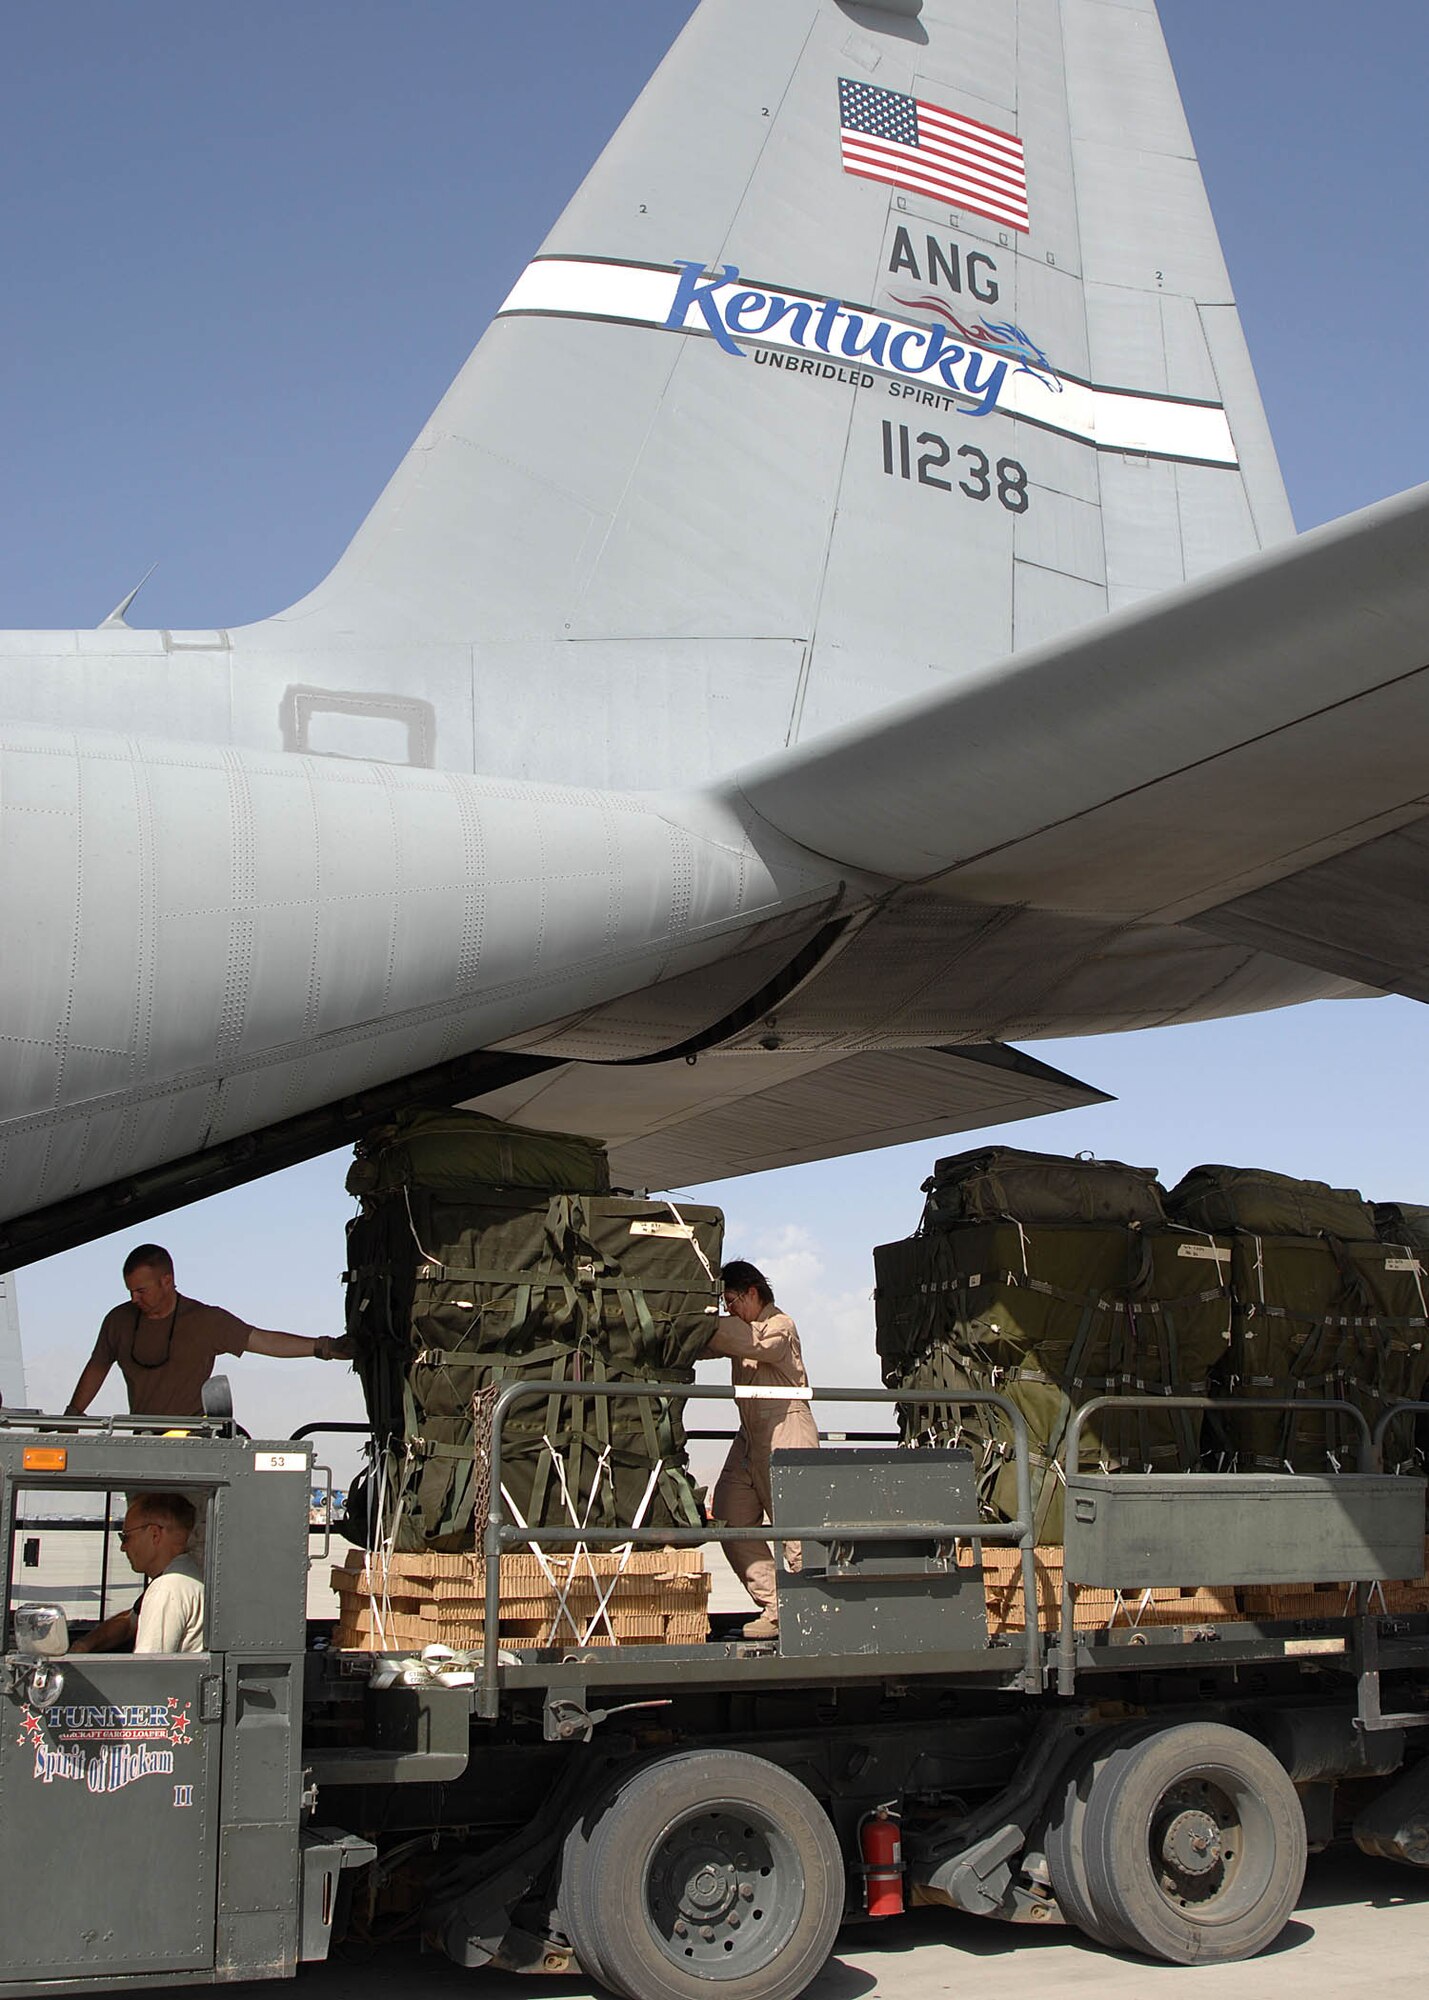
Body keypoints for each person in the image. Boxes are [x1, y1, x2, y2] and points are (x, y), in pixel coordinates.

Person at [64, 1243, 354, 1419]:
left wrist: (324, 1347)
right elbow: (98, 1366)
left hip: (193, 1442)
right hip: (144, 1442)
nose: (134, 1299)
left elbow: (263, 1341)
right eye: (130, 1291)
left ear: (167, 1281)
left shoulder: (205, 1320)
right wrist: (73, 1415)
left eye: (141, 1291)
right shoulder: (118, 1320)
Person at [703, 1259, 819, 1640]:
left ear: (752, 1293)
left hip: (787, 1431)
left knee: (796, 1533)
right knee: (729, 1516)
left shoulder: (778, 1327)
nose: (730, 1309)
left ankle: (810, 1612)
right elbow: (712, 1342)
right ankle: (778, 1606)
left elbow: (747, 1342)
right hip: (751, 1436)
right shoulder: (742, 1328)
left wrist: (701, 1322)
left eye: (732, 1301)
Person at [72, 1492, 204, 1654]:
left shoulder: (166, 1589)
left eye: (125, 1537)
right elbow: (129, 1622)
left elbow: (146, 1669)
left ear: (155, 1534)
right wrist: (84, 1645)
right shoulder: (183, 1573)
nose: (123, 1547)